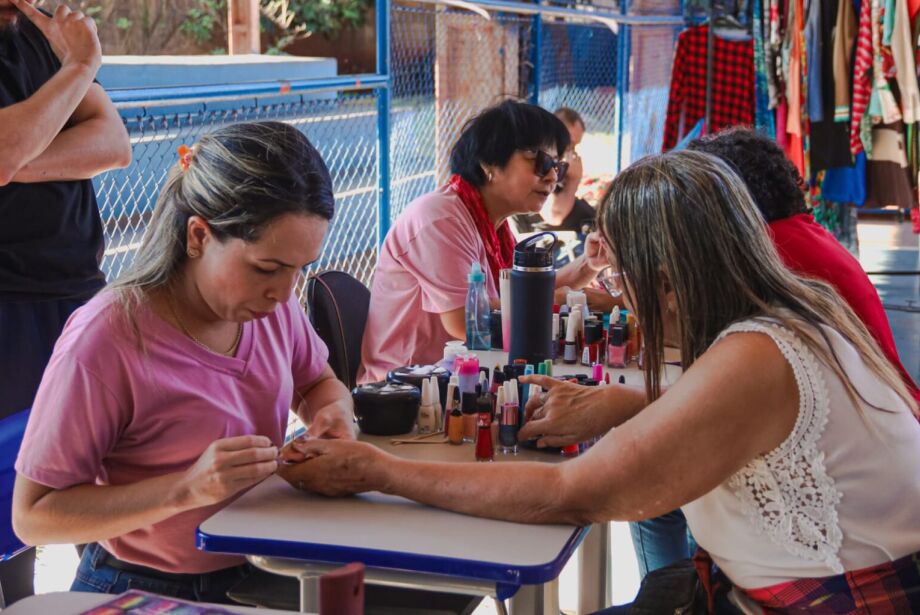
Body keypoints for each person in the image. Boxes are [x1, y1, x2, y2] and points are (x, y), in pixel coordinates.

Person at [281, 150, 920, 612]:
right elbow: (734, 411)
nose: (618, 296)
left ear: (668, 282)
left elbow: (570, 492)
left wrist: (379, 472)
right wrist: (621, 403)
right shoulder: (796, 311)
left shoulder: (757, 353)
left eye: (619, 278)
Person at [11, 122, 355, 603]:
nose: (283, 292)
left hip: (264, 568)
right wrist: (185, 490)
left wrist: (334, 413)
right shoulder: (107, 338)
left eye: (300, 269)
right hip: (142, 586)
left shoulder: (270, 308)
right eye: (267, 268)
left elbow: (317, 381)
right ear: (198, 235)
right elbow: (33, 517)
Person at [622, 127, 920, 582]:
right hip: (878, 482)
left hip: (857, 535)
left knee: (653, 488)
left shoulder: (771, 259)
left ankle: (673, 592)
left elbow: (582, 488)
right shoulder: (797, 240)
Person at [0, 0, 131, 603]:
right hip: (9, 304)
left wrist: (18, 156)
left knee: (99, 484)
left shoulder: (39, 33)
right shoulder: (71, 53)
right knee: (14, 508)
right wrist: (80, 67)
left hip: (78, 293)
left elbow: (113, 144)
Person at [359, 100, 608, 383]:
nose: (552, 177)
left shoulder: (491, 225)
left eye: (557, 167)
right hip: (404, 390)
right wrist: (563, 300)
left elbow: (525, 294)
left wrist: (589, 263)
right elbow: (467, 323)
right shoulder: (440, 219)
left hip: (457, 377)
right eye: (541, 162)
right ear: (489, 163)